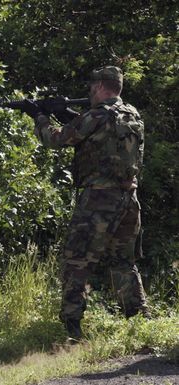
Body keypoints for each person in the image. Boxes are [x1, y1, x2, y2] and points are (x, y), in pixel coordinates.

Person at [25, 66, 149, 342]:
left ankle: (73, 329)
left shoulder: (94, 116)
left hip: (99, 201)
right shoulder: (132, 114)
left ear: (101, 87)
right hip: (129, 199)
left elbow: (54, 139)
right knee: (123, 262)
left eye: (92, 87)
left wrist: (40, 116)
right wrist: (66, 114)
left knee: (77, 261)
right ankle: (140, 321)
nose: (89, 92)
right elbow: (96, 132)